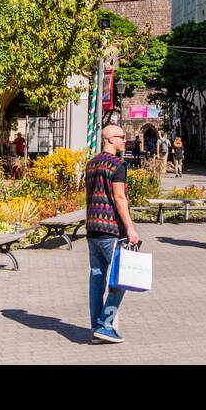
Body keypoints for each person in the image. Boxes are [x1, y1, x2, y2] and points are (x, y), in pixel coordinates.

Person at [85, 124, 140, 344]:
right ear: (110, 139)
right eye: (121, 137)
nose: (125, 140)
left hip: (92, 228)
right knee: (123, 278)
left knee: (97, 278)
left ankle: (96, 327)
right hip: (110, 229)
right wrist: (130, 227)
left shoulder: (91, 163)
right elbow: (119, 198)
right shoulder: (118, 165)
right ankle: (105, 325)